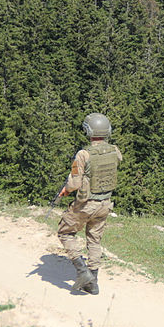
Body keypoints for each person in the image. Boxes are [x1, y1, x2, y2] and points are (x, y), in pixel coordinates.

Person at [57, 113, 122, 295]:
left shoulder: (83, 154)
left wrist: (66, 190)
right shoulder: (115, 150)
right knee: (94, 240)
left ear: (88, 131)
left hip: (86, 205)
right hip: (105, 203)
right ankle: (93, 283)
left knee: (65, 233)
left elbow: (74, 183)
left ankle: (82, 271)